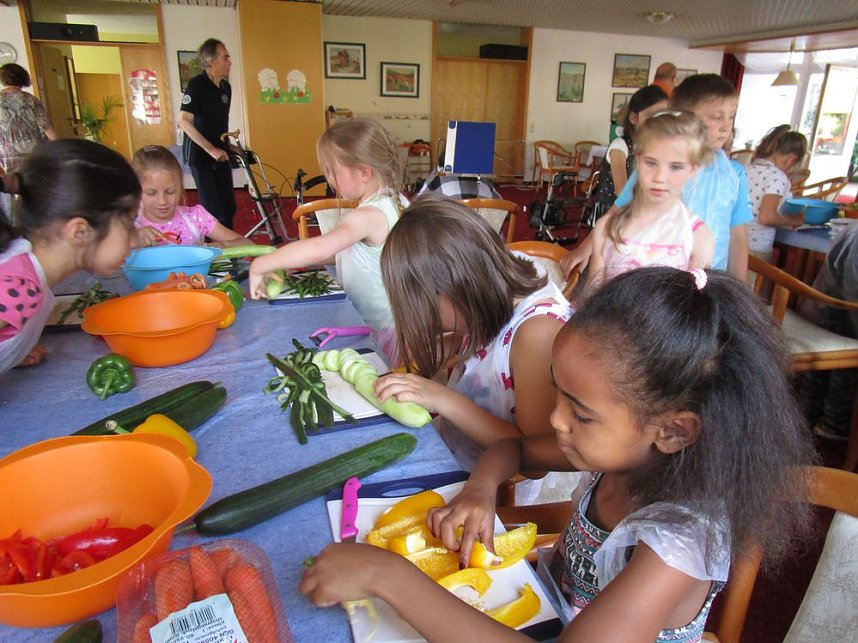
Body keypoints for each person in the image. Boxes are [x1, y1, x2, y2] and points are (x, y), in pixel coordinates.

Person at [300, 266, 817, 642]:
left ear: (673, 431)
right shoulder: (620, 454)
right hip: (544, 609)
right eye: (559, 392)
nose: (555, 419)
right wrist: (480, 492)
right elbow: (513, 446)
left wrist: (386, 576)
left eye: (581, 412)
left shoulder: (679, 544)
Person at [375, 194, 572, 478]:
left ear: (459, 287)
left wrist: (443, 400)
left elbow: (536, 461)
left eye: (429, 309)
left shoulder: (537, 334)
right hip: (453, 447)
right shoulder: (495, 279)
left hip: (488, 484)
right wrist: (455, 344)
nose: (429, 322)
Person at [564, 73, 752, 281]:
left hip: (711, 281)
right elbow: (617, 212)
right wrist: (585, 248)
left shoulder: (735, 174)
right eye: (717, 117)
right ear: (685, 118)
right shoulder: (653, 168)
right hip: (653, 271)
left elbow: (738, 238)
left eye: (731, 116)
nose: (726, 126)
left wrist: (741, 291)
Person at [249, 117, 403, 362]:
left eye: (333, 171)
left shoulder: (369, 214)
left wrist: (261, 263)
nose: (329, 179)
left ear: (364, 172)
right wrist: (288, 261)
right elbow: (355, 254)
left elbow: (319, 248)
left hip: (378, 332)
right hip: (390, 324)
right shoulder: (395, 201)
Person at [0, 139, 140, 375]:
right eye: (129, 224)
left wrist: (13, 352)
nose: (134, 239)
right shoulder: (20, 286)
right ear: (80, 232)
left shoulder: (32, 271)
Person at [586, 111, 714, 289]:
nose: (660, 177)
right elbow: (593, 299)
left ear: (693, 169)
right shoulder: (607, 228)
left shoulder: (698, 237)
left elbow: (692, 311)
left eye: (675, 167)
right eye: (651, 163)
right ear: (638, 160)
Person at [800, 224, 858, 441]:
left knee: (834, 325)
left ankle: (807, 410)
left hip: (846, 245)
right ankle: (835, 422)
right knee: (850, 339)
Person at [130, 144, 249, 249]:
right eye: (151, 193)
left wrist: (222, 245)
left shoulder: (196, 217)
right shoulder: (127, 223)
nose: (162, 201)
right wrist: (132, 240)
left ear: (180, 186)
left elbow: (248, 244)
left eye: (170, 191)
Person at [179, 38, 236, 230]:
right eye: (225, 56)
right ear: (211, 61)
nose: (229, 61)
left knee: (229, 207)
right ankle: (213, 253)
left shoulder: (226, 88)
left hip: (220, 154)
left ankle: (230, 251)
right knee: (212, 209)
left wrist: (229, 146)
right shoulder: (197, 85)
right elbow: (184, 121)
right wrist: (210, 148)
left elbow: (217, 124)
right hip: (201, 156)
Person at [591, 84, 668, 221]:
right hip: (614, 212)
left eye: (664, 115)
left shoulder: (656, 148)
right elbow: (621, 190)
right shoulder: (621, 146)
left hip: (640, 210)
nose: (659, 122)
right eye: (651, 116)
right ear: (634, 118)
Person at [0, 63, 57, 220]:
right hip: (33, 155)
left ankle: (15, 227)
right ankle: (37, 223)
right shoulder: (32, 100)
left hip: (7, 155)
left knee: (10, 194)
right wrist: (61, 148)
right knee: (34, 190)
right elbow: (47, 128)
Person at [745, 125, 808, 260]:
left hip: (733, 243)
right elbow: (767, 217)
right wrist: (795, 219)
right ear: (791, 159)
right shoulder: (777, 176)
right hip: (756, 248)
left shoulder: (745, 169)